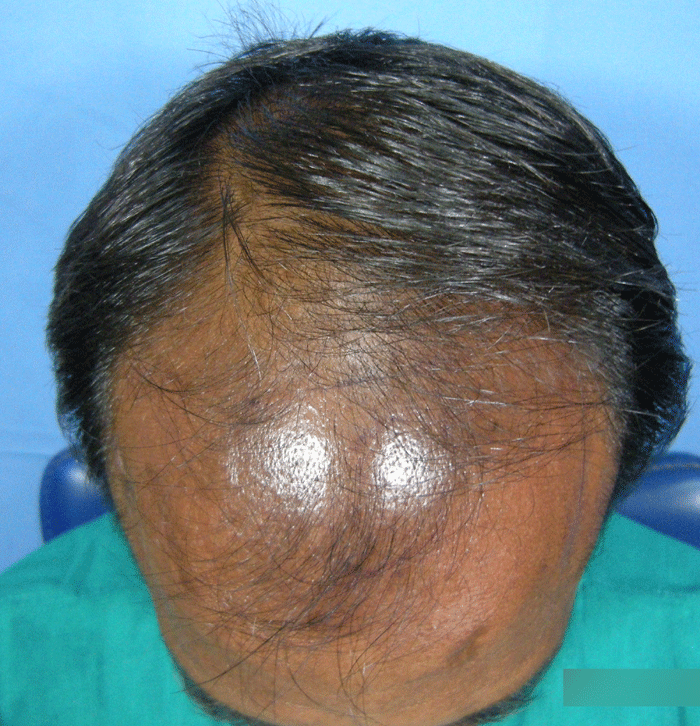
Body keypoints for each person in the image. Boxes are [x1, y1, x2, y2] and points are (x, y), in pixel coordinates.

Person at [0, 29, 696, 726]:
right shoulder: (28, 670)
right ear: (111, 469)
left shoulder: (664, 673)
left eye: (480, 712)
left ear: (622, 465)